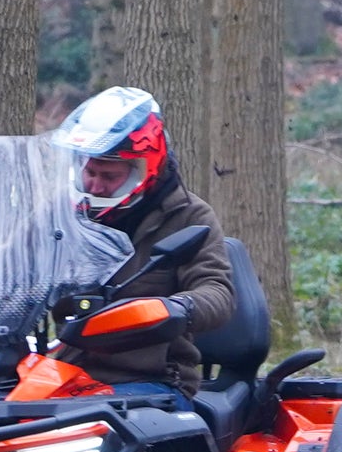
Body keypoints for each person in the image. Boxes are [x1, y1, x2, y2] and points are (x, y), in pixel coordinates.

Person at [48, 87, 234, 399]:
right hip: (63, 376)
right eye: (89, 172)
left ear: (144, 169)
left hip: (152, 382)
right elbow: (7, 259)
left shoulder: (189, 216)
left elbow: (217, 291)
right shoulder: (62, 212)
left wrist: (174, 308)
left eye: (109, 176)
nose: (95, 185)